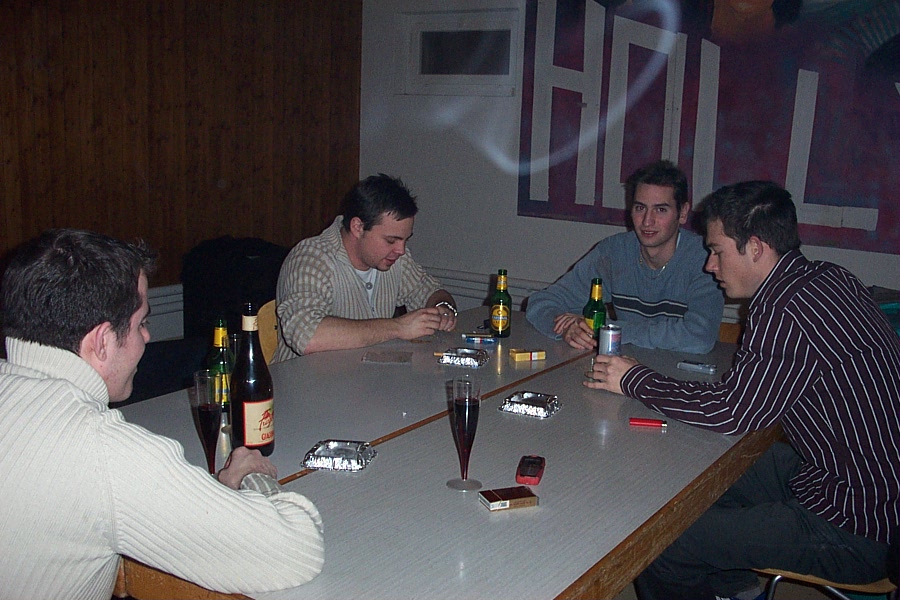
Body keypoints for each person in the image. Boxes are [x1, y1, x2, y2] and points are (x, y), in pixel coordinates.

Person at [588, 181, 899, 600]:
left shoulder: (783, 309)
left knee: (660, 540)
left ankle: (712, 576)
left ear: (755, 247)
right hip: (842, 481)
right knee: (697, 470)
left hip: (858, 525)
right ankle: (734, 588)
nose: (709, 265)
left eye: (717, 251)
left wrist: (633, 378)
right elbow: (752, 397)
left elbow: (732, 412)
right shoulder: (827, 277)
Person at [0, 229, 324, 599]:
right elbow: (298, 550)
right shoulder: (104, 454)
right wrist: (252, 476)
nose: (147, 338)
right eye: (141, 324)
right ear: (102, 342)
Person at [526, 160, 724, 354]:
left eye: (660, 210)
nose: (647, 221)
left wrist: (606, 330)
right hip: (621, 367)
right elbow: (540, 303)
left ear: (682, 213)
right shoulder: (613, 252)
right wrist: (569, 328)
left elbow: (700, 337)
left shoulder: (706, 260)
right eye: (640, 208)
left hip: (679, 372)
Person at [274, 173, 457, 360]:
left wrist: (442, 308)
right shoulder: (311, 258)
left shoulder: (395, 259)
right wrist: (398, 327)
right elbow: (308, 338)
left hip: (367, 374)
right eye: (391, 240)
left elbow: (431, 290)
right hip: (305, 377)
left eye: (405, 240)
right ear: (358, 227)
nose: (401, 250)